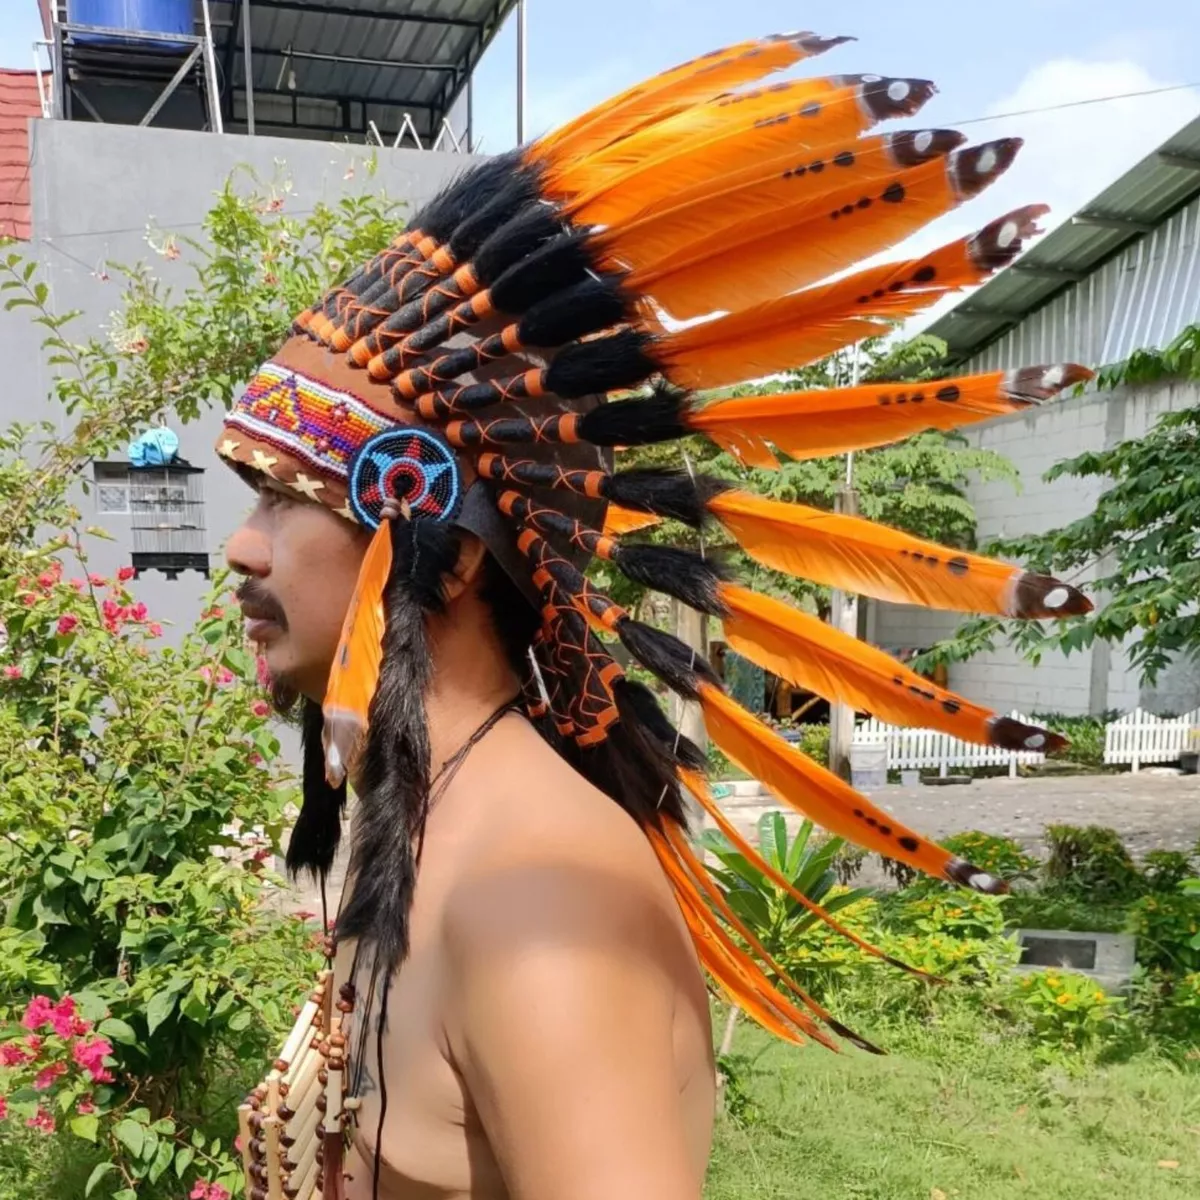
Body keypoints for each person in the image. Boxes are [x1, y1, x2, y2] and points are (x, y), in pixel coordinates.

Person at [220, 28, 1092, 1200]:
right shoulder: (439, 823)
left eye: (289, 494)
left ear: (444, 543)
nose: (241, 545)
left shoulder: (540, 904)